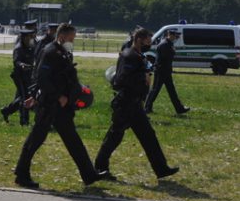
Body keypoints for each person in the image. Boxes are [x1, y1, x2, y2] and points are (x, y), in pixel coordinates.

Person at [14, 23, 108, 189]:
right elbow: (42, 77)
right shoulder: (50, 51)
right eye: (71, 38)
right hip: (50, 105)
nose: (73, 41)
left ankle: (89, 174)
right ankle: (21, 174)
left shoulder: (63, 52)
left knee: (73, 140)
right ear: (62, 36)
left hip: (62, 107)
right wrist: (58, 96)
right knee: (35, 139)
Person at [95, 28, 180, 179]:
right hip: (126, 103)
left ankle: (161, 169)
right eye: (148, 38)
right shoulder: (129, 55)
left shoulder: (139, 55)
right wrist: (143, 78)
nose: (150, 41)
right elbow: (121, 80)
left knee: (148, 136)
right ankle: (100, 167)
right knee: (115, 136)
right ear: (139, 38)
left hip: (135, 105)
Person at [144, 29, 189, 115]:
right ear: (170, 35)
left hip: (166, 70)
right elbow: (166, 58)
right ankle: (147, 107)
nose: (176, 37)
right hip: (161, 70)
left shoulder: (169, 43)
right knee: (155, 90)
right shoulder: (164, 44)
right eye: (175, 35)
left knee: (172, 90)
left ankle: (179, 109)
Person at [1, 29, 35, 125]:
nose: (31, 39)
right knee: (25, 98)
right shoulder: (18, 48)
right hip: (20, 76)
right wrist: (22, 65)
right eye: (29, 37)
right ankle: (24, 121)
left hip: (28, 75)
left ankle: (6, 110)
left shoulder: (30, 46)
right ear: (24, 38)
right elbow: (16, 61)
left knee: (23, 97)